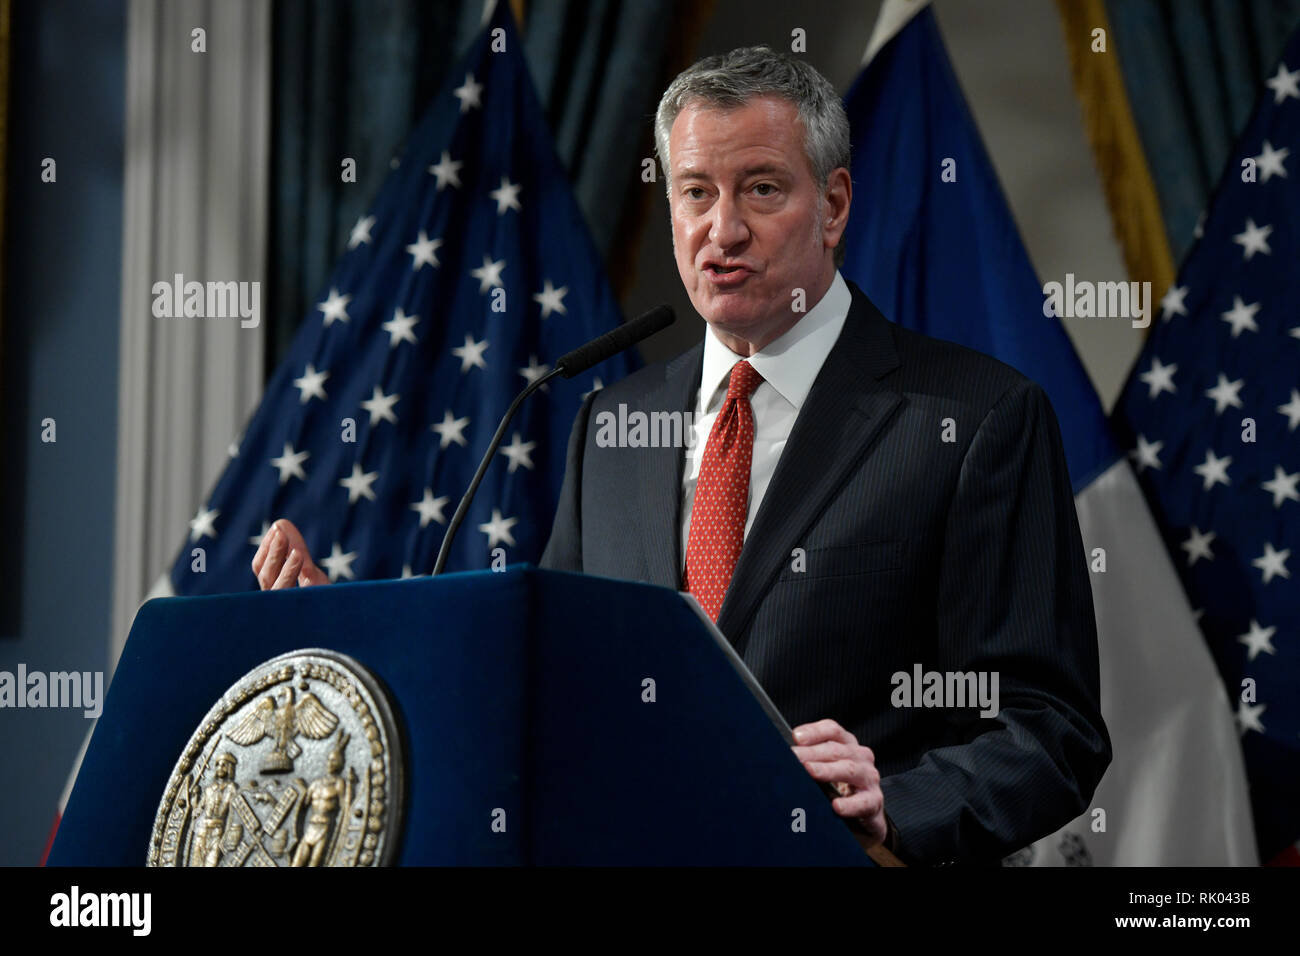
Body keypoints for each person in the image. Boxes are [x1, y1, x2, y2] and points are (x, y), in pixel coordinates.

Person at [255, 46, 1110, 866]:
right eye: (695, 192)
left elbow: (1047, 728)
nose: (722, 229)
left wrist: (895, 799)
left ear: (836, 204)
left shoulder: (974, 418)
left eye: (762, 190)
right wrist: (362, 634)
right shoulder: (613, 424)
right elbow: (545, 679)